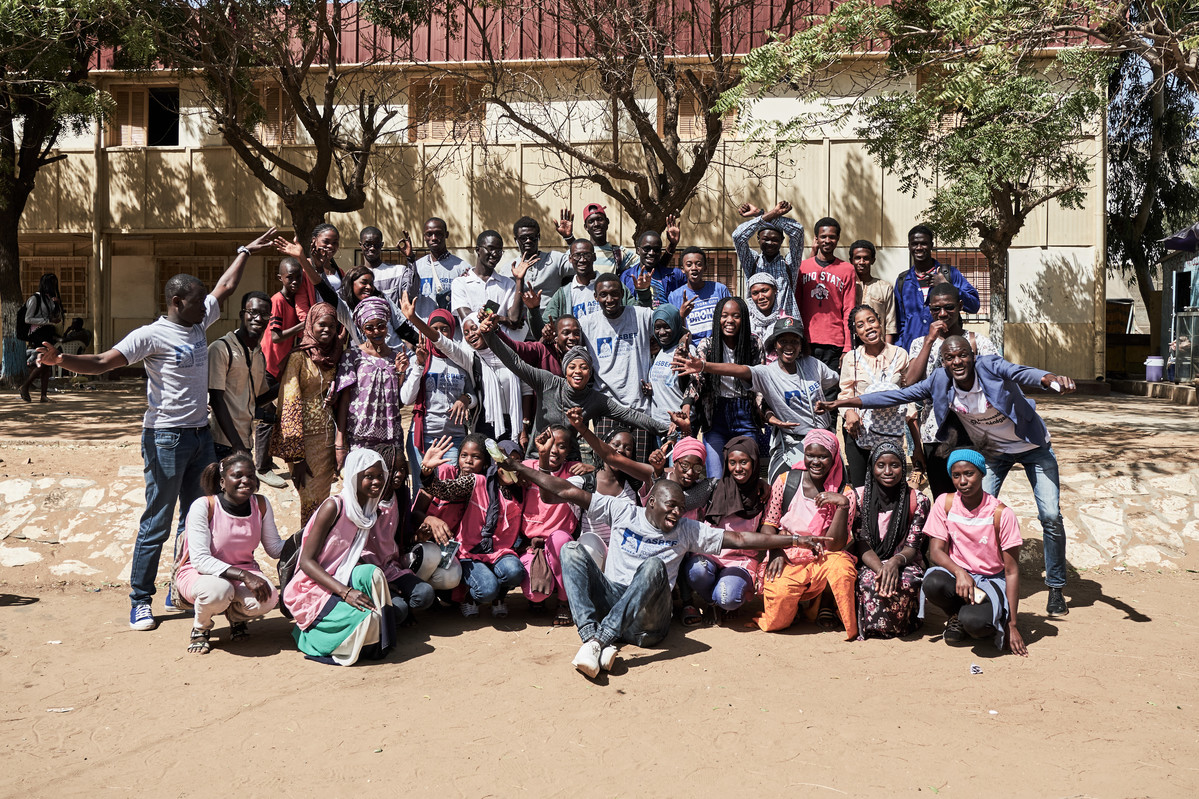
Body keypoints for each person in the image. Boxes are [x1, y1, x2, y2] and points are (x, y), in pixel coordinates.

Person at [38, 229, 271, 631]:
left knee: (194, 519)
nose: (207, 308)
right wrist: (63, 360)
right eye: (199, 303)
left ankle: (180, 587)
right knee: (157, 522)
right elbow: (104, 362)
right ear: (177, 302)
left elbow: (226, 286)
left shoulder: (199, 321)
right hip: (165, 437)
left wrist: (245, 251)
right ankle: (140, 600)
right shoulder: (151, 335)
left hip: (200, 436)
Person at [816, 334, 1077, 617]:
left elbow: (1021, 372)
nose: (957, 362)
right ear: (943, 362)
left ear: (972, 356)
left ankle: (1055, 587)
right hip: (996, 453)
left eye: (962, 355)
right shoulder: (940, 380)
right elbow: (898, 394)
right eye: (950, 358)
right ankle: (975, 579)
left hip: (1033, 446)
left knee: (1050, 515)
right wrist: (844, 404)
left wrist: (1051, 379)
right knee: (972, 513)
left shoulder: (989, 366)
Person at [504, 456, 815, 679]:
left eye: (681, 507)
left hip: (648, 624)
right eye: (672, 505)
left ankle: (600, 640)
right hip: (613, 601)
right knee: (572, 549)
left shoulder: (687, 530)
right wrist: (519, 467)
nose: (677, 512)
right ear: (651, 502)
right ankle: (590, 638)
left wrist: (797, 539)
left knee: (653, 566)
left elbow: (740, 537)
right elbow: (565, 490)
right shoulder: (621, 510)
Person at [675, 316, 838, 481]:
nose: (789, 346)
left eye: (795, 341)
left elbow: (834, 381)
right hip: (791, 444)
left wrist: (830, 404)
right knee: (782, 488)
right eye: (783, 341)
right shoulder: (767, 373)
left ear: (801, 344)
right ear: (775, 344)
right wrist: (704, 366)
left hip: (822, 440)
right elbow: (737, 369)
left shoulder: (813, 364)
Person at [477, 313, 668, 453]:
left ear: (590, 372)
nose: (578, 372)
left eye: (583, 367)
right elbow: (515, 362)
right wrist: (489, 335)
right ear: (565, 371)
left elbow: (630, 415)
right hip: (537, 455)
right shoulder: (547, 382)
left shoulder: (595, 400)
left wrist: (666, 429)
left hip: (569, 462)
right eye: (572, 367)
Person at [284, 449, 397, 665]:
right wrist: (346, 593)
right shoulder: (334, 506)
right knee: (369, 620)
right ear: (354, 476)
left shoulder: (368, 510)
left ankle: (376, 640)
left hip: (340, 575)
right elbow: (307, 562)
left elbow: (348, 556)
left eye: (380, 476)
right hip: (311, 584)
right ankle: (311, 639)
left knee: (374, 574)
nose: (376, 482)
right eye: (369, 476)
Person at [174, 453, 283, 654]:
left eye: (251, 476)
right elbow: (200, 560)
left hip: (243, 571)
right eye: (238, 476)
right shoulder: (204, 506)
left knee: (269, 597)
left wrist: (308, 538)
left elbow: (275, 548)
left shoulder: (260, 504)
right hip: (200, 574)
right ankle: (201, 628)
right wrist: (245, 576)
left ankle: (236, 618)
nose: (246, 481)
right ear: (223, 482)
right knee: (218, 591)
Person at [922, 449, 1027, 656]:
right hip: (958, 577)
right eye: (956, 475)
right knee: (932, 583)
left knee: (976, 624)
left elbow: (1012, 571)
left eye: (969, 473)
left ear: (981, 473)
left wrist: (1012, 624)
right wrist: (960, 572)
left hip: (990, 580)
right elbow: (935, 552)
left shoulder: (1001, 514)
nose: (963, 481)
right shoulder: (945, 503)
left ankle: (976, 617)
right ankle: (955, 615)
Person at [755, 429, 858, 638]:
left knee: (841, 568)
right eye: (810, 455)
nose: (816, 462)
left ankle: (825, 605)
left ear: (834, 457)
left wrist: (842, 505)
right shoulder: (786, 481)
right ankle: (795, 606)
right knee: (778, 614)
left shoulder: (845, 492)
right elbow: (769, 524)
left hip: (822, 556)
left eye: (823, 456)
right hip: (788, 553)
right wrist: (775, 551)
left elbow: (835, 546)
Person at [902, 283, 998, 496]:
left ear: (960, 306)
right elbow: (910, 381)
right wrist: (930, 340)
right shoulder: (920, 344)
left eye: (949, 307)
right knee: (943, 497)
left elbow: (996, 383)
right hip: (934, 433)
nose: (942, 313)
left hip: (972, 431)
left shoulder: (978, 342)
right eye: (936, 308)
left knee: (972, 497)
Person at [417, 435, 527, 618]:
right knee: (486, 590)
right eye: (505, 461)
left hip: (499, 552)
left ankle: (500, 596)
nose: (510, 467)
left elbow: (546, 470)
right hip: (470, 551)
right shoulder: (478, 481)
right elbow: (444, 490)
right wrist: (427, 471)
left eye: (515, 462)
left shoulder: (522, 490)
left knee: (515, 571)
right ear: (495, 462)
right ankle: (471, 597)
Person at [400, 292, 527, 443]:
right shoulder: (469, 358)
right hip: (484, 427)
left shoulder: (510, 354)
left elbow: (526, 391)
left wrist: (524, 427)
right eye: (466, 332)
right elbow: (440, 341)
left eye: (474, 328)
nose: (470, 334)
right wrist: (413, 319)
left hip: (516, 424)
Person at [680, 436, 772, 624]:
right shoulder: (713, 488)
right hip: (710, 554)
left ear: (754, 462)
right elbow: (684, 499)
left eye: (744, 462)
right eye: (732, 462)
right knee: (696, 571)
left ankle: (722, 602)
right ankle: (712, 605)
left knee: (728, 598)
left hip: (741, 560)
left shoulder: (763, 495)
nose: (738, 468)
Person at [678, 296, 767, 478]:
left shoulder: (753, 344)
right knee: (716, 477)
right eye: (725, 315)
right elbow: (697, 378)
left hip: (745, 413)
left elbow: (760, 380)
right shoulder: (708, 345)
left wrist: (762, 411)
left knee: (746, 476)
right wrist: (687, 404)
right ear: (718, 318)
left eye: (736, 316)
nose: (729, 321)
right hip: (716, 415)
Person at [272, 302, 342, 527]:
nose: (327, 330)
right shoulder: (298, 358)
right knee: (309, 499)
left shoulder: (335, 355)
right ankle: (306, 548)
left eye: (332, 326)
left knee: (323, 500)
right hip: (304, 442)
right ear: (311, 324)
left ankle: (321, 549)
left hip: (327, 439)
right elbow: (289, 405)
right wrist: (297, 456)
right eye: (322, 324)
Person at [851, 441, 929, 639]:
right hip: (870, 560)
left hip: (904, 560)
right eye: (881, 465)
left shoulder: (918, 500)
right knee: (867, 581)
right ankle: (871, 626)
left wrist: (894, 563)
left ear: (903, 468)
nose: (888, 471)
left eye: (894, 465)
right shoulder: (859, 497)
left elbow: (913, 544)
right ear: (872, 467)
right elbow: (862, 542)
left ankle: (904, 624)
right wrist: (881, 570)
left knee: (907, 581)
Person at [207, 293, 283, 489]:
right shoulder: (221, 349)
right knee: (219, 501)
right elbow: (216, 399)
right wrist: (237, 446)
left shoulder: (258, 354)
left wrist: (286, 380)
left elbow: (258, 399)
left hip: (245, 441)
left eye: (265, 315)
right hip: (223, 442)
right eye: (253, 312)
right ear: (242, 314)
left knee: (239, 504)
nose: (258, 319)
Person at [578, 272, 656, 459]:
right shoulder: (586, 324)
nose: (609, 299)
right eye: (603, 294)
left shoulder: (642, 316)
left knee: (639, 469)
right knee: (605, 468)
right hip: (605, 408)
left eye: (614, 293)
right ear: (595, 297)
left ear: (622, 293)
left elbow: (669, 331)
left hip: (640, 408)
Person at [330, 297, 410, 476]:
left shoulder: (396, 357)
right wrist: (339, 443)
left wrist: (401, 372)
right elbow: (344, 401)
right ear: (361, 328)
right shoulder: (352, 356)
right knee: (361, 485)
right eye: (370, 327)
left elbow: (398, 402)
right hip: (360, 436)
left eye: (381, 325)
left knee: (389, 487)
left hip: (391, 437)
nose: (376, 332)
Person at [360, 443, 436, 625]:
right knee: (398, 610)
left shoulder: (400, 496)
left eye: (403, 469)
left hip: (391, 567)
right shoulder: (364, 501)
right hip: (367, 570)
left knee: (425, 594)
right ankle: (390, 608)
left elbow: (401, 539)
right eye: (393, 469)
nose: (400, 474)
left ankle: (395, 603)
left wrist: (418, 537)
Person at [519, 427, 586, 626]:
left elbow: (603, 469)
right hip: (533, 545)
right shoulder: (528, 467)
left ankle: (563, 602)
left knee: (561, 540)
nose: (555, 450)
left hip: (558, 543)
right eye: (551, 443)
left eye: (562, 446)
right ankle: (545, 589)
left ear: (568, 451)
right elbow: (503, 471)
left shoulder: (573, 472)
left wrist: (590, 468)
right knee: (536, 595)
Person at [401, 309, 474, 491]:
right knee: (422, 491)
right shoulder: (421, 356)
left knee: (448, 488)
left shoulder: (461, 358)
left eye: (444, 329)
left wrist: (465, 399)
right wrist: (419, 364)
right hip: (424, 438)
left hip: (454, 439)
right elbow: (406, 398)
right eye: (434, 328)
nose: (439, 334)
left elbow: (475, 397)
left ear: (452, 330)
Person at [839, 305, 909, 488]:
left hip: (890, 434)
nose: (868, 327)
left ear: (880, 322)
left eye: (871, 320)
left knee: (890, 490)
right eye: (860, 325)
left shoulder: (900, 354)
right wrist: (848, 413)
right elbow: (845, 392)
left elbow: (908, 394)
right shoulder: (851, 358)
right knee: (862, 490)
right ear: (856, 332)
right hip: (860, 433)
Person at [259, 257, 308, 479]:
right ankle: (261, 467)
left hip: (279, 367)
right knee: (266, 415)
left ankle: (267, 460)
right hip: (268, 365)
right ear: (280, 278)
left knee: (275, 413)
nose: (295, 281)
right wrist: (302, 325)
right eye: (290, 277)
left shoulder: (294, 300)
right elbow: (277, 337)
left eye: (298, 277)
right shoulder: (277, 300)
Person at [895, 225, 981, 350]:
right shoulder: (903, 281)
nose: (919, 248)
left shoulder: (950, 274)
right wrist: (901, 349)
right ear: (909, 246)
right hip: (914, 352)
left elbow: (974, 306)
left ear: (932, 245)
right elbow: (900, 322)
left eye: (924, 243)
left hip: (947, 350)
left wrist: (945, 285)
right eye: (915, 244)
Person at [538, 239, 651, 331]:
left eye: (587, 255)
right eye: (577, 255)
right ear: (570, 259)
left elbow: (638, 316)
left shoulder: (613, 285)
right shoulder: (564, 294)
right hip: (579, 355)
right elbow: (544, 327)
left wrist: (644, 293)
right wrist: (533, 310)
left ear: (594, 257)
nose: (582, 260)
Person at [798, 216, 856, 375]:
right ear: (816, 238)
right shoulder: (802, 268)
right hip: (807, 341)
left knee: (831, 391)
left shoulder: (847, 269)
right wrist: (800, 339)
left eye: (832, 236)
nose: (827, 240)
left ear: (838, 239)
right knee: (807, 389)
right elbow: (796, 305)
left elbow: (849, 310)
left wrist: (847, 347)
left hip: (835, 342)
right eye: (823, 236)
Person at [732, 200, 805, 317]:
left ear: (782, 240)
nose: (770, 243)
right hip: (757, 329)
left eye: (775, 240)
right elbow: (738, 236)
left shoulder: (790, 263)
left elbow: (798, 231)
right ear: (758, 239)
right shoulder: (752, 262)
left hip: (786, 328)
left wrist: (760, 213)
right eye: (765, 239)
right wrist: (770, 214)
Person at [451, 230, 529, 333]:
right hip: (472, 347)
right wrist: (504, 319)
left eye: (499, 251)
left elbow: (514, 320)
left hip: (500, 347)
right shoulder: (460, 283)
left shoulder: (508, 284)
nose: (495, 254)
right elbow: (468, 319)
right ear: (478, 250)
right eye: (491, 249)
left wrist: (520, 280)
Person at [503, 215, 574, 319]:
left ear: (539, 237)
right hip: (521, 329)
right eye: (523, 238)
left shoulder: (555, 259)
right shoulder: (508, 269)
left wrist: (569, 238)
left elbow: (580, 263)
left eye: (532, 237)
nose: (528, 241)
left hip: (551, 324)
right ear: (516, 240)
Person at [645, 304, 696, 439]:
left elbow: (693, 384)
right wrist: (651, 389)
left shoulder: (688, 351)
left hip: (680, 425)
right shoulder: (660, 351)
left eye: (667, 326)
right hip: (659, 425)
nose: (661, 332)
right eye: (657, 327)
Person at [18, 273, 63, 403]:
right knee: (44, 363)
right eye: (51, 284)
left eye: (55, 283)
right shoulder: (34, 299)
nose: (54, 286)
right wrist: (47, 320)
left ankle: (43, 396)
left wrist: (57, 305)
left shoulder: (51, 299)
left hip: (48, 333)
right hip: (37, 333)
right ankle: (25, 385)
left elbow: (55, 317)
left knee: (47, 364)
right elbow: (28, 319)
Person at [668, 248, 731, 341]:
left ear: (705, 268)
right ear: (683, 269)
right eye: (689, 265)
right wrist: (681, 316)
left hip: (718, 345)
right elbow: (673, 331)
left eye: (698, 264)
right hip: (690, 348)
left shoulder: (720, 290)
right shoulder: (674, 297)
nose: (694, 268)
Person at [558, 203, 638, 273]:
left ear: (607, 222)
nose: (596, 224)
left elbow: (643, 264)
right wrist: (569, 238)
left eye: (600, 219)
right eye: (591, 221)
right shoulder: (572, 254)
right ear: (586, 227)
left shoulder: (619, 253)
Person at [412, 216, 470, 312]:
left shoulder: (462, 268)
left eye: (438, 234)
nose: (433, 238)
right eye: (429, 234)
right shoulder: (416, 267)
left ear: (446, 235)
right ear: (424, 237)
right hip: (422, 325)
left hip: (451, 326)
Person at [848, 240, 897, 344]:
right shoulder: (846, 286)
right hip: (852, 345)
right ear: (851, 260)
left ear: (873, 260)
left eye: (866, 258)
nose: (861, 262)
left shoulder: (885, 287)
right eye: (857, 258)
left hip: (878, 345)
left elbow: (890, 324)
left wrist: (888, 351)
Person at [621, 230, 686, 308]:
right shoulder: (626, 276)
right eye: (647, 249)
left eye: (656, 249)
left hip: (666, 318)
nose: (651, 253)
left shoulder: (675, 275)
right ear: (638, 250)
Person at [745, 272, 793, 355]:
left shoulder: (787, 321)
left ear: (774, 290)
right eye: (755, 293)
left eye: (764, 291)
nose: (760, 297)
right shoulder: (746, 321)